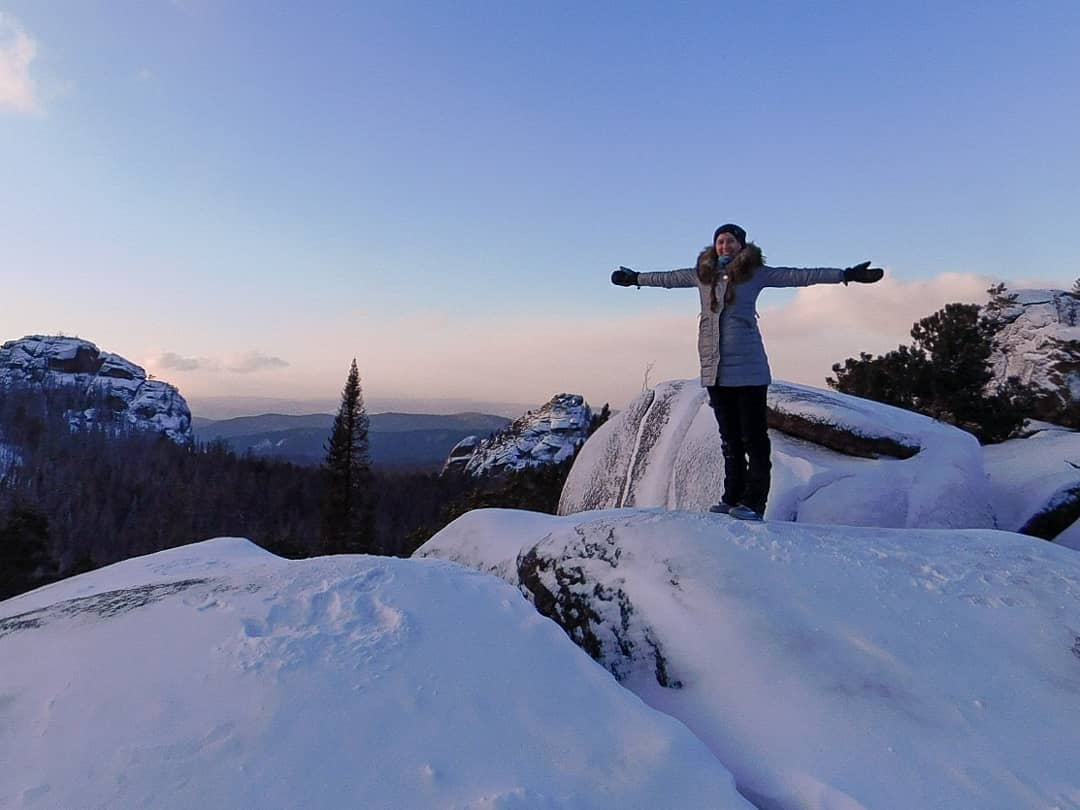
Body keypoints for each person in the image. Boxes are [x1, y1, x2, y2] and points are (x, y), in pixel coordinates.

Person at [611, 223, 883, 521]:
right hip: (714, 369)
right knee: (730, 440)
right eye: (720, 241)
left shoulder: (756, 273)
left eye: (730, 241)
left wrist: (845, 275)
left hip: (750, 369)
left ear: (741, 245)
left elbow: (800, 275)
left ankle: (754, 503)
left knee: (754, 439)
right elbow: (668, 279)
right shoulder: (702, 274)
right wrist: (634, 278)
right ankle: (731, 498)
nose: (724, 246)